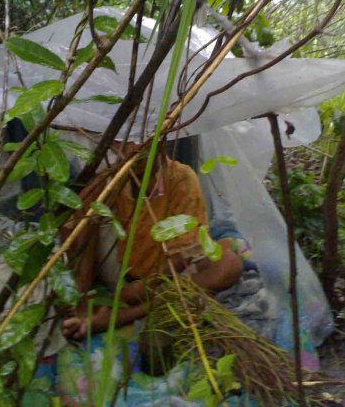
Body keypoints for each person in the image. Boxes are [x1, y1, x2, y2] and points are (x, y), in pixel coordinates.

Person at [60, 142, 243, 340]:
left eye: (145, 142)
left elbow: (183, 254)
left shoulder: (180, 177)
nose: (135, 149)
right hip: (121, 270)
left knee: (229, 263)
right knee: (90, 210)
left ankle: (121, 315)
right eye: (127, 144)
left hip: (165, 275)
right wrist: (80, 290)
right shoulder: (110, 180)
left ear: (161, 145)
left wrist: (140, 289)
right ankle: (91, 305)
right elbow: (76, 232)